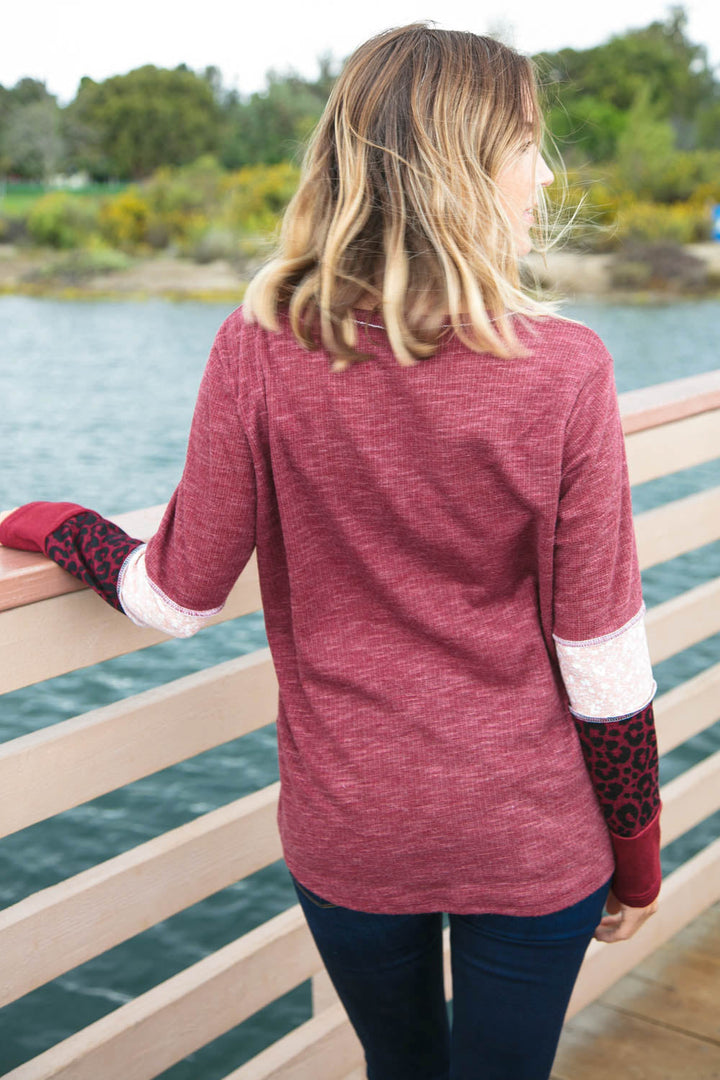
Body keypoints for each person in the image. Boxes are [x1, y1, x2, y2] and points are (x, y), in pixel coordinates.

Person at [0, 24, 660, 1080]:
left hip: (354, 830)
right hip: (531, 836)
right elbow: (602, 661)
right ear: (467, 168)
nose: (545, 171)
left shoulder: (259, 346)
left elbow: (172, 596)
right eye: (529, 144)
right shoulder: (568, 371)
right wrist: (638, 859)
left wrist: (46, 524)